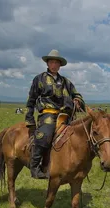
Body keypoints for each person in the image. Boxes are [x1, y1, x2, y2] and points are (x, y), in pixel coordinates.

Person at [25, 49, 85, 179]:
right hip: (48, 114)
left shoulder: (66, 82)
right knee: (45, 134)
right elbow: (31, 100)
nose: (54, 65)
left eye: (56, 63)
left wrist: (77, 100)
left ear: (60, 65)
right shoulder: (39, 79)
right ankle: (35, 167)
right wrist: (29, 119)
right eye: (51, 62)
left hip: (65, 115)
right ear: (47, 63)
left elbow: (77, 94)